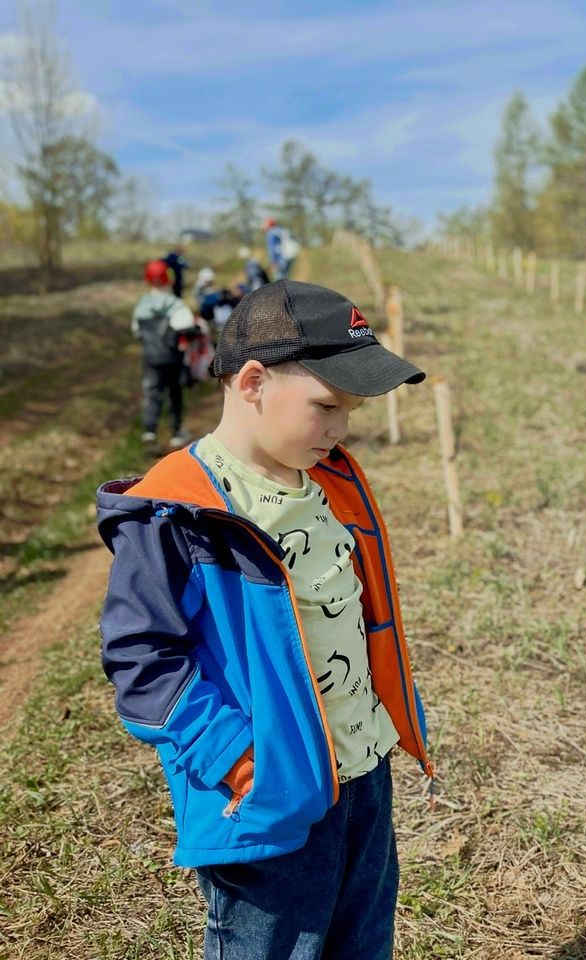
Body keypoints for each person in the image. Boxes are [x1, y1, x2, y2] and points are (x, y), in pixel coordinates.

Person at [97, 279, 433, 960]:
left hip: (363, 773)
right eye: (327, 407)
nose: (342, 429)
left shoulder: (328, 479)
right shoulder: (176, 513)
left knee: (362, 943)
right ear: (252, 381)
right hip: (268, 796)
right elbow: (141, 660)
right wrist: (239, 760)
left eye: (353, 410)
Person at [132, 259, 198, 447]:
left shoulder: (142, 306)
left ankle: (149, 433)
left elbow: (136, 331)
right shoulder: (174, 304)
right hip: (173, 358)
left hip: (151, 358)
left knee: (153, 394)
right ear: (168, 278)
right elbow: (185, 325)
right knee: (175, 394)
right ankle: (177, 433)